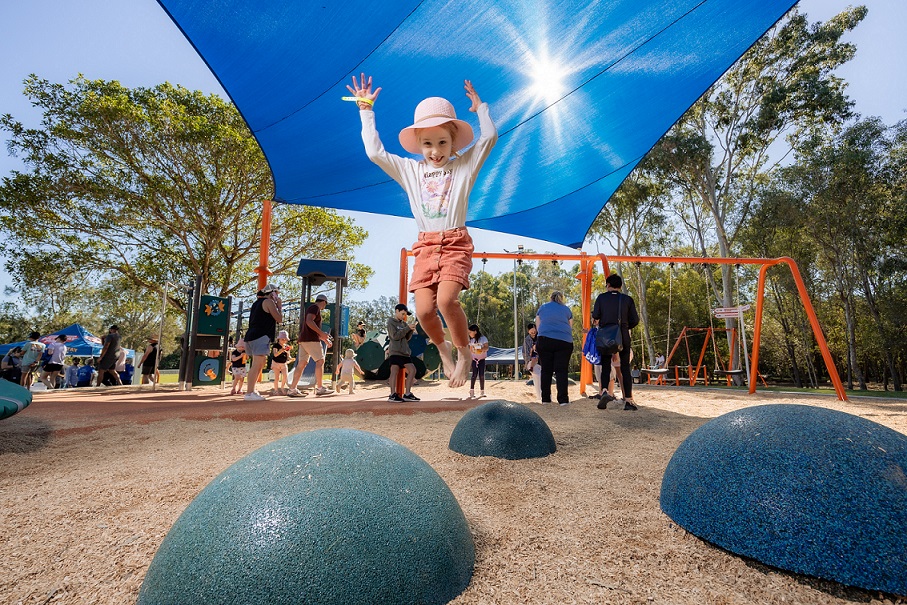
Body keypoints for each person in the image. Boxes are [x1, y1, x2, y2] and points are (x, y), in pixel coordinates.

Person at [348, 74, 498, 388]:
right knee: (424, 309)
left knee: (446, 302)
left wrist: (480, 108)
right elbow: (375, 153)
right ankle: (443, 349)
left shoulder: (463, 166)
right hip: (426, 246)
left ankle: (464, 353)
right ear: (419, 144)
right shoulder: (411, 170)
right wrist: (365, 110)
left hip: (455, 242)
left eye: (442, 142)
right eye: (427, 143)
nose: (435, 150)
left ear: (453, 141)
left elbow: (489, 138)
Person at [592, 274, 640, 410]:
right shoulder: (627, 299)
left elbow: (596, 315)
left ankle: (605, 390)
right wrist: (624, 327)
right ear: (620, 286)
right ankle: (629, 400)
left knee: (606, 364)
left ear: (608, 285)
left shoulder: (601, 298)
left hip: (606, 335)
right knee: (625, 367)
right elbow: (635, 320)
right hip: (623, 335)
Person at [243, 284, 283, 401]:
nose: (277, 296)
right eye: (276, 293)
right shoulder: (268, 302)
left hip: (251, 335)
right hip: (260, 336)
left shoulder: (256, 303)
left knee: (259, 364)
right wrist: (279, 306)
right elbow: (279, 319)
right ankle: (249, 393)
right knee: (257, 365)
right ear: (272, 293)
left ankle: (252, 390)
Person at [288, 293, 332, 397]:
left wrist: (324, 339)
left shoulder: (311, 308)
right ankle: (320, 388)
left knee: (301, 364)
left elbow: (311, 329)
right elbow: (309, 321)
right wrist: (322, 333)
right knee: (320, 361)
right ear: (323, 302)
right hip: (311, 340)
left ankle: (292, 388)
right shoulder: (315, 308)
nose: (324, 307)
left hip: (304, 340)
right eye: (325, 304)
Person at [535, 291, 575, 405]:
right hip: (564, 341)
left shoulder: (543, 308)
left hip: (545, 340)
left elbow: (538, 325)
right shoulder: (567, 310)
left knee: (546, 370)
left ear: (550, 298)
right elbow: (569, 326)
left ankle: (546, 399)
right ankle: (563, 400)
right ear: (561, 299)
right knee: (561, 371)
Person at [386, 303, 420, 403]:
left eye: (405, 314)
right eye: (402, 313)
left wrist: (410, 330)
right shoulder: (391, 322)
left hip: (405, 352)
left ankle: (407, 393)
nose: (404, 316)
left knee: (412, 370)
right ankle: (392, 394)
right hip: (395, 351)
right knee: (394, 372)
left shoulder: (404, 324)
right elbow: (394, 336)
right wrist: (407, 329)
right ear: (396, 311)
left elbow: (406, 338)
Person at [270, 330, 295, 396]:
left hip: (283, 363)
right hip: (276, 363)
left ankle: (282, 388)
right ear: (279, 339)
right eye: (282, 339)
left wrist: (291, 359)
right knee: (277, 377)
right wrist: (281, 350)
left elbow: (288, 356)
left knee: (285, 376)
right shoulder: (276, 346)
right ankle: (276, 390)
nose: (284, 341)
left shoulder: (287, 347)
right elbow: (275, 354)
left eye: (285, 339)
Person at [467, 324, 489, 399]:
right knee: (474, 375)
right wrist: (473, 350)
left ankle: (482, 391)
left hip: (482, 360)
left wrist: (480, 349)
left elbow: (486, 347)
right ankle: (471, 391)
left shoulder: (483, 338)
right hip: (474, 360)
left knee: (482, 375)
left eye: (470, 332)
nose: (469, 334)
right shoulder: (471, 340)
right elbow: (470, 350)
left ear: (475, 331)